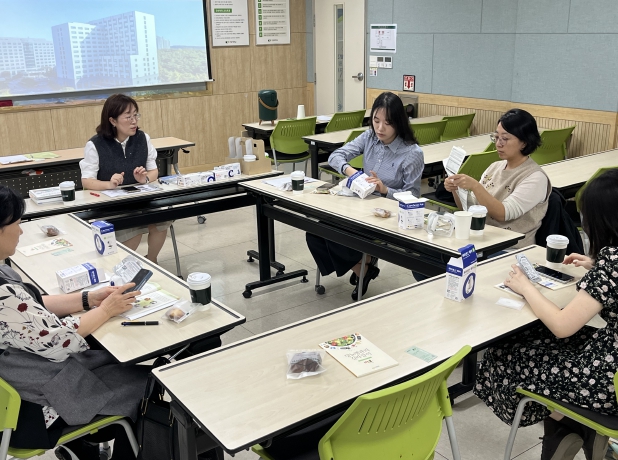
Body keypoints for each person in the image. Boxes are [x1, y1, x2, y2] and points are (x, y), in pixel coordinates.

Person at [474, 169, 618, 460]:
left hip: (606, 382)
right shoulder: (611, 263)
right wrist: (596, 265)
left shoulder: (613, 263)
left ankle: (566, 425)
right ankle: (567, 427)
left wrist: (526, 287)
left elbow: (563, 326)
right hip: (612, 363)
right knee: (535, 333)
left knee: (506, 351)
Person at [0, 185, 149, 458]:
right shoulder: (2, 295)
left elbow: (32, 306)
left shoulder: (2, 275)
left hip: (26, 382)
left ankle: (83, 449)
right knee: (150, 385)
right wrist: (106, 310)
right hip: (36, 410)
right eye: (17, 224)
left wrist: (88, 299)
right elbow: (61, 342)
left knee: (110, 356)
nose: (20, 231)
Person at [306, 91, 424, 300]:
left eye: (387, 123)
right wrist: (353, 172)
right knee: (314, 231)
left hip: (386, 216)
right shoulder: (370, 137)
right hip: (360, 207)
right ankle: (363, 267)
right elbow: (336, 156)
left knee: (339, 236)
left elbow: (413, 198)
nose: (380, 128)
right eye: (376, 121)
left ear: (399, 122)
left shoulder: (412, 153)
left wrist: (385, 189)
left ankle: (364, 263)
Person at [80, 93, 170, 263]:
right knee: (133, 229)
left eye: (136, 115)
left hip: (141, 197)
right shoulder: (95, 144)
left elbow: (154, 171)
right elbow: (87, 181)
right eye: (128, 117)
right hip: (113, 203)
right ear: (112, 121)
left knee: (161, 221)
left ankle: (152, 261)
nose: (134, 121)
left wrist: (144, 179)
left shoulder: (142, 138)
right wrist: (109, 183)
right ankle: (122, 268)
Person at [444, 108, 551, 248]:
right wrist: (456, 188)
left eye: (505, 139)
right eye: (496, 137)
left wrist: (475, 186)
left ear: (524, 142)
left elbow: (503, 214)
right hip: (482, 239)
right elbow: (471, 208)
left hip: (510, 248)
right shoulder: (494, 167)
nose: (498, 143)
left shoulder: (535, 177)